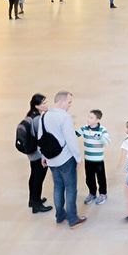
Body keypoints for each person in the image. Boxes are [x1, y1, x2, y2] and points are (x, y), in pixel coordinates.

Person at [39, 90, 85, 228]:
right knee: (71, 188)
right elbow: (71, 140)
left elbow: (41, 138)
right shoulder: (65, 117)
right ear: (62, 101)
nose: (70, 105)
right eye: (69, 102)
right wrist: (78, 158)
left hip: (51, 159)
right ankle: (73, 218)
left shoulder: (44, 116)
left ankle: (60, 215)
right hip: (65, 159)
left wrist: (44, 156)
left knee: (58, 187)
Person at [23, 94, 52, 214]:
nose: (46, 105)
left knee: (33, 176)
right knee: (38, 179)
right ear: (37, 106)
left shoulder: (29, 115)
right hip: (38, 154)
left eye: (46, 102)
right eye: (43, 103)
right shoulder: (37, 120)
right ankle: (37, 205)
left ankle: (33, 200)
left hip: (31, 153)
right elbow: (42, 138)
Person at [78, 109, 111, 206]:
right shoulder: (84, 128)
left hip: (98, 160)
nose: (88, 119)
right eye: (88, 117)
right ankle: (92, 193)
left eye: (91, 118)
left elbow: (107, 142)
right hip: (88, 159)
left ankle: (103, 194)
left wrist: (100, 137)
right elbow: (74, 134)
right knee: (89, 178)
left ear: (98, 120)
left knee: (101, 178)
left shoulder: (102, 130)